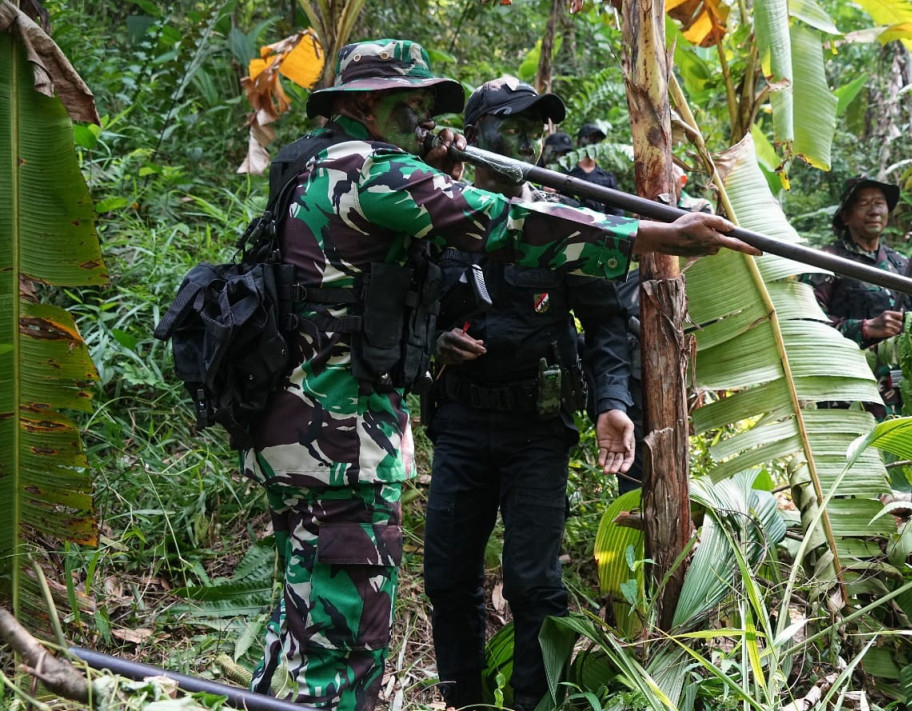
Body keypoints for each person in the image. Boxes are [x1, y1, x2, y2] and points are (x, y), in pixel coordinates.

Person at [241, 39, 755, 711]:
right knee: (344, 626)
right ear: (367, 105)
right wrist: (652, 235)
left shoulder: (313, 164)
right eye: (411, 106)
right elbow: (502, 221)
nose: (426, 122)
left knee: (305, 610)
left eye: (430, 108)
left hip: (304, 431)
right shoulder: (375, 170)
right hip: (342, 441)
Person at [423, 77, 636, 711]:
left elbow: (604, 322)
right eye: (509, 125)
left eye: (533, 128)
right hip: (461, 420)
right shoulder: (435, 214)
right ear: (475, 133)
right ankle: (464, 702)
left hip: (537, 430)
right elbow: (400, 303)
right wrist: (435, 340)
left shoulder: (557, 220)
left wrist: (612, 404)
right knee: (448, 580)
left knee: (534, 584)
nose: (522, 140)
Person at [807, 176, 912, 413]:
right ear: (845, 216)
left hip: (909, 397)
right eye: (863, 204)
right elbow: (808, 326)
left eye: (879, 203)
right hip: (854, 398)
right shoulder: (827, 261)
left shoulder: (901, 264)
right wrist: (865, 328)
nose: (874, 211)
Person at [566, 122, 625, 215]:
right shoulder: (567, 174)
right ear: (578, 142)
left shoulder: (607, 178)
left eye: (597, 141)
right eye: (589, 139)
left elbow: (616, 211)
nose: (593, 144)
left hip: (599, 226)